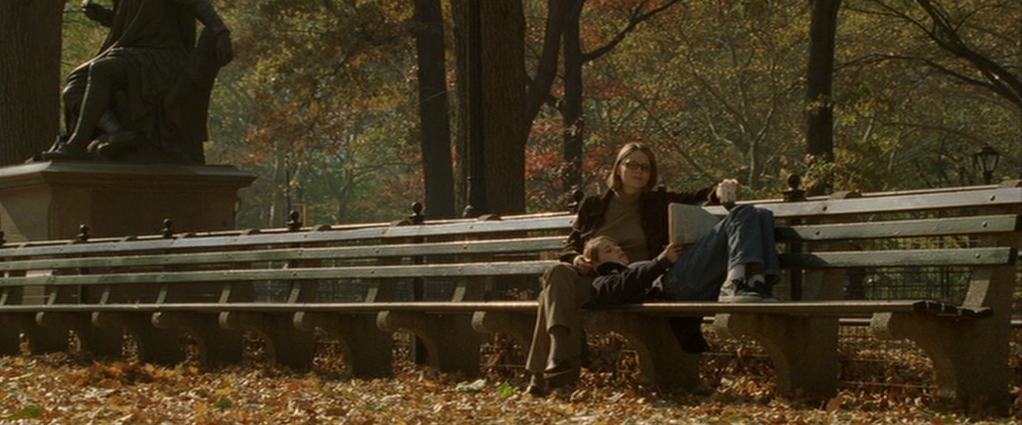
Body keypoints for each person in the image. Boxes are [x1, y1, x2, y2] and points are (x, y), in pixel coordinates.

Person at [524, 142, 719, 395]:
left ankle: (544, 372)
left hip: (632, 281)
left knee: (548, 296)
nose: (639, 171)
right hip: (594, 278)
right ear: (618, 168)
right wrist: (576, 259)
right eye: (632, 164)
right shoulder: (592, 205)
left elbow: (696, 197)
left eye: (645, 167)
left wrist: (719, 190)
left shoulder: (657, 203)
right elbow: (571, 247)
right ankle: (557, 356)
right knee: (559, 273)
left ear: (651, 174)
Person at [41, 0, 233, 163]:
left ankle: (77, 144)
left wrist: (220, 29)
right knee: (74, 86)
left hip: (162, 56)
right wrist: (104, 16)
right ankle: (117, 132)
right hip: (130, 52)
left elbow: (196, 3)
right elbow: (133, 25)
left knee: (101, 69)